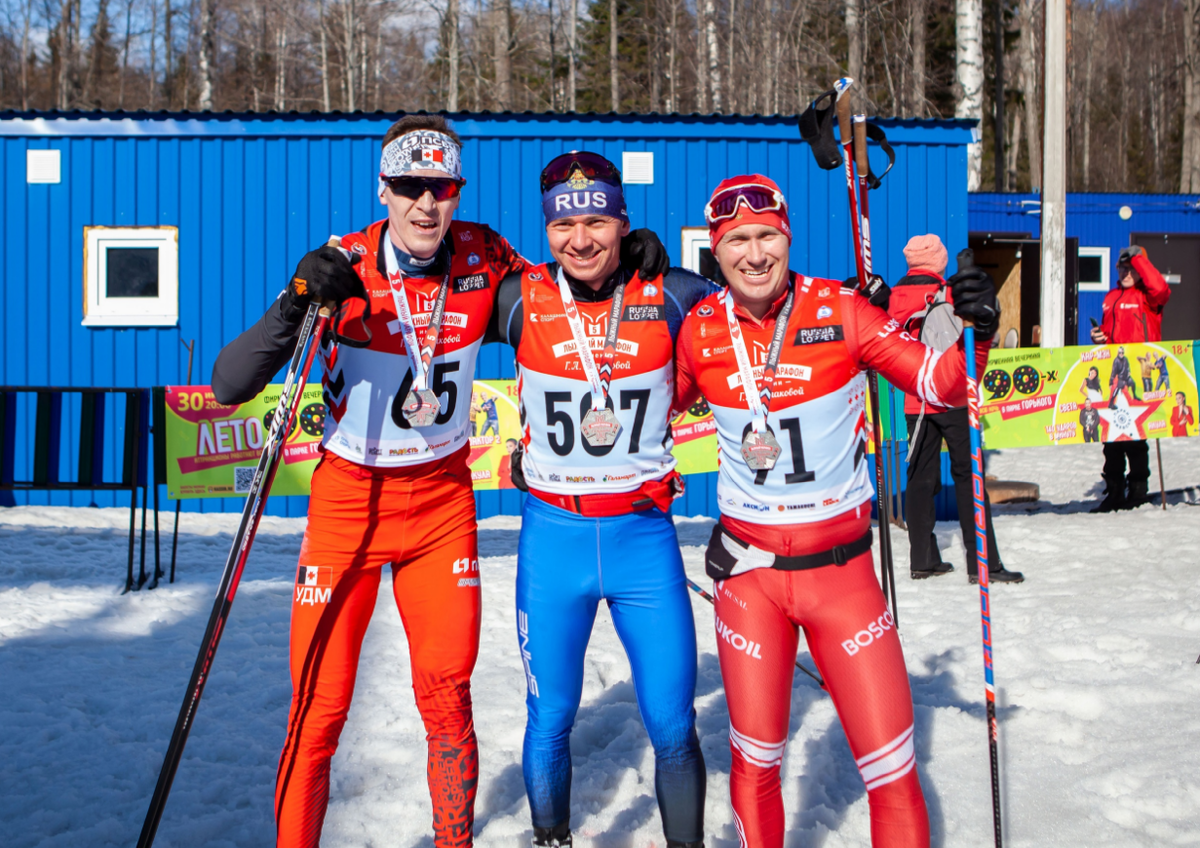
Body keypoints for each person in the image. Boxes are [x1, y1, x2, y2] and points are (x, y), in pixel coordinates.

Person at [210, 117, 670, 848]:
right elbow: (230, 382)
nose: (426, 204)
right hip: (347, 505)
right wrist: (296, 299)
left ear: (458, 192)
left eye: (442, 188)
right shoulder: (346, 266)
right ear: (384, 189)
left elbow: (561, 298)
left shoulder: (485, 257)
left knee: (447, 698)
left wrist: (632, 266)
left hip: (441, 508)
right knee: (319, 709)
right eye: (409, 187)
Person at [673, 175, 1010, 848]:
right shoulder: (701, 329)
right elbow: (645, 409)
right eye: (737, 240)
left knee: (891, 771)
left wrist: (979, 328)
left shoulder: (842, 309)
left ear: (787, 237)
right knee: (756, 761)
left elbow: (933, 380)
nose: (755, 253)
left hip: (844, 579)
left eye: (767, 235)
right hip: (749, 581)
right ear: (717, 251)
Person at [488, 151, 716, 848]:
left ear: (623, 222)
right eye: (564, 225)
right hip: (553, 539)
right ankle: (551, 838)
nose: (580, 239)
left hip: (642, 541)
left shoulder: (672, 292)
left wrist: (899, 302)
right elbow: (436, 271)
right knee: (550, 713)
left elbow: (766, 308)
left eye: (597, 221)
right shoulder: (517, 297)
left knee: (674, 724)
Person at [885, 234, 1022, 583]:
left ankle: (923, 559)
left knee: (919, 479)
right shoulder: (948, 293)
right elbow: (968, 342)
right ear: (939, 260)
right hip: (952, 394)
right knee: (968, 477)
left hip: (915, 397)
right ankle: (984, 564)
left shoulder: (895, 298)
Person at [1089, 245, 1171, 511]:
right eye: (1122, 269)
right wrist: (1098, 336)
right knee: (1111, 436)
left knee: (1136, 436)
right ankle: (1113, 491)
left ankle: (1137, 490)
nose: (1125, 273)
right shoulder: (1111, 296)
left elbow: (1161, 288)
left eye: (1131, 269)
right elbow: (1110, 331)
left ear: (1140, 270)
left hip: (1142, 374)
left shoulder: (1148, 297)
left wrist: (1138, 258)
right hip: (1115, 375)